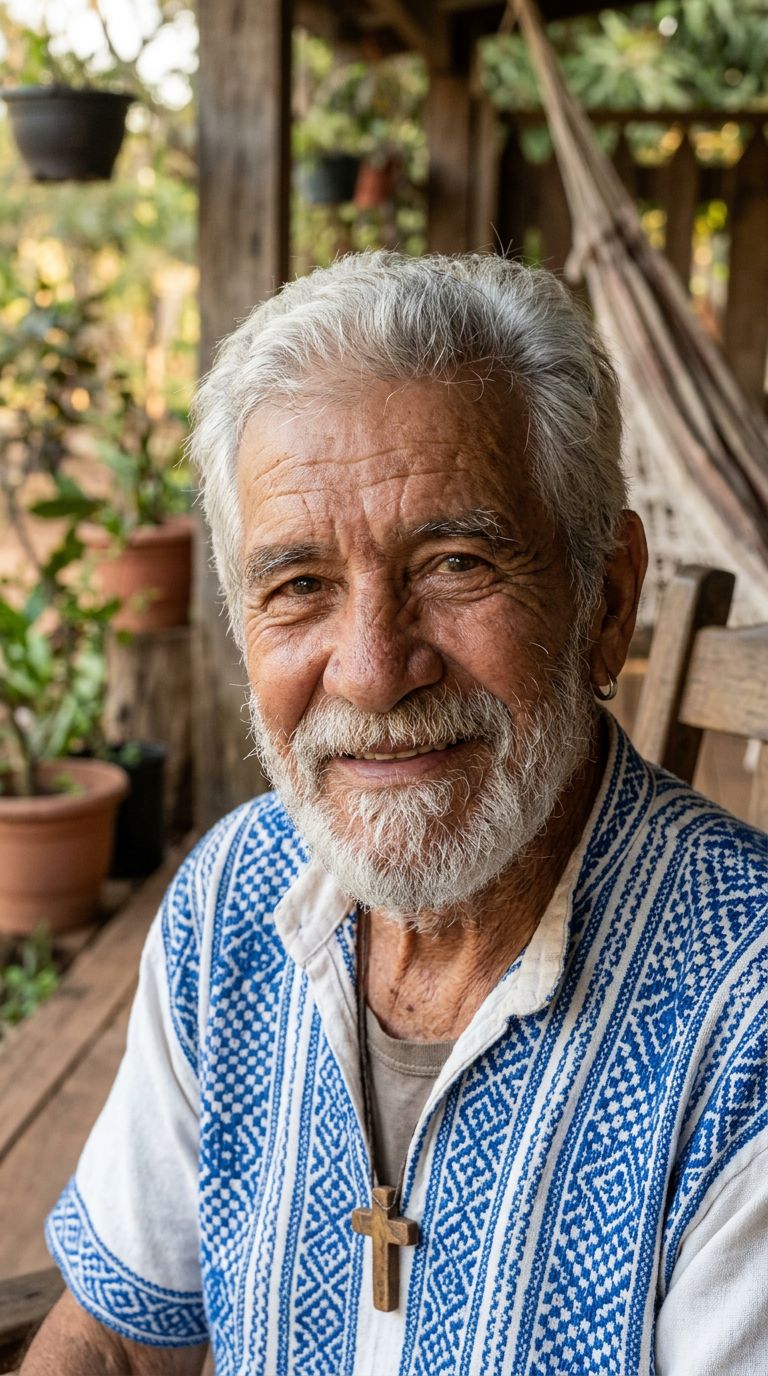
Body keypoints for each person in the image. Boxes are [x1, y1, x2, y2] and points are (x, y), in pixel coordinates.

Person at [23, 253, 767, 1376]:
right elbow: (123, 1342)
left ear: (605, 602)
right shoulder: (232, 895)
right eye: (299, 587)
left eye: (457, 563)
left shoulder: (744, 1020)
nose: (372, 671)